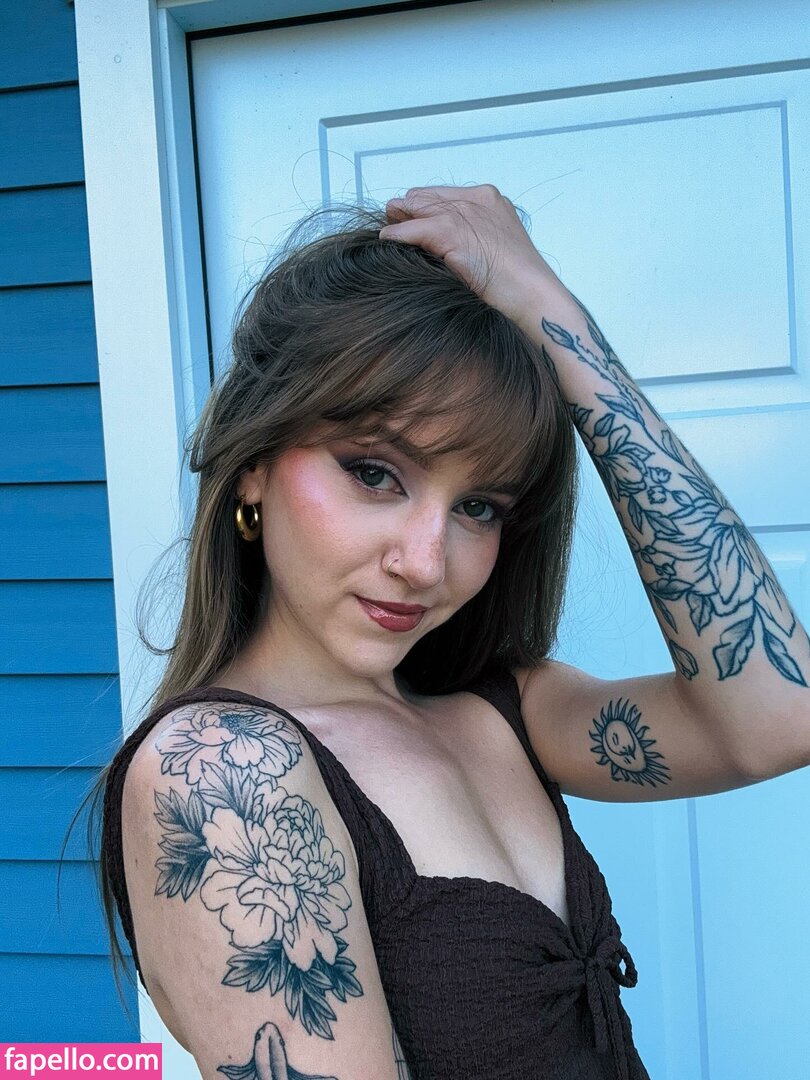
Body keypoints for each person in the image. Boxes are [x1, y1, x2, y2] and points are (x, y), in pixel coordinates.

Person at [76, 185, 809, 1079]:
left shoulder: (507, 712)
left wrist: (552, 314)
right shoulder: (226, 770)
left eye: (479, 505)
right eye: (374, 473)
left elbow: (779, 715)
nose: (426, 562)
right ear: (254, 463)